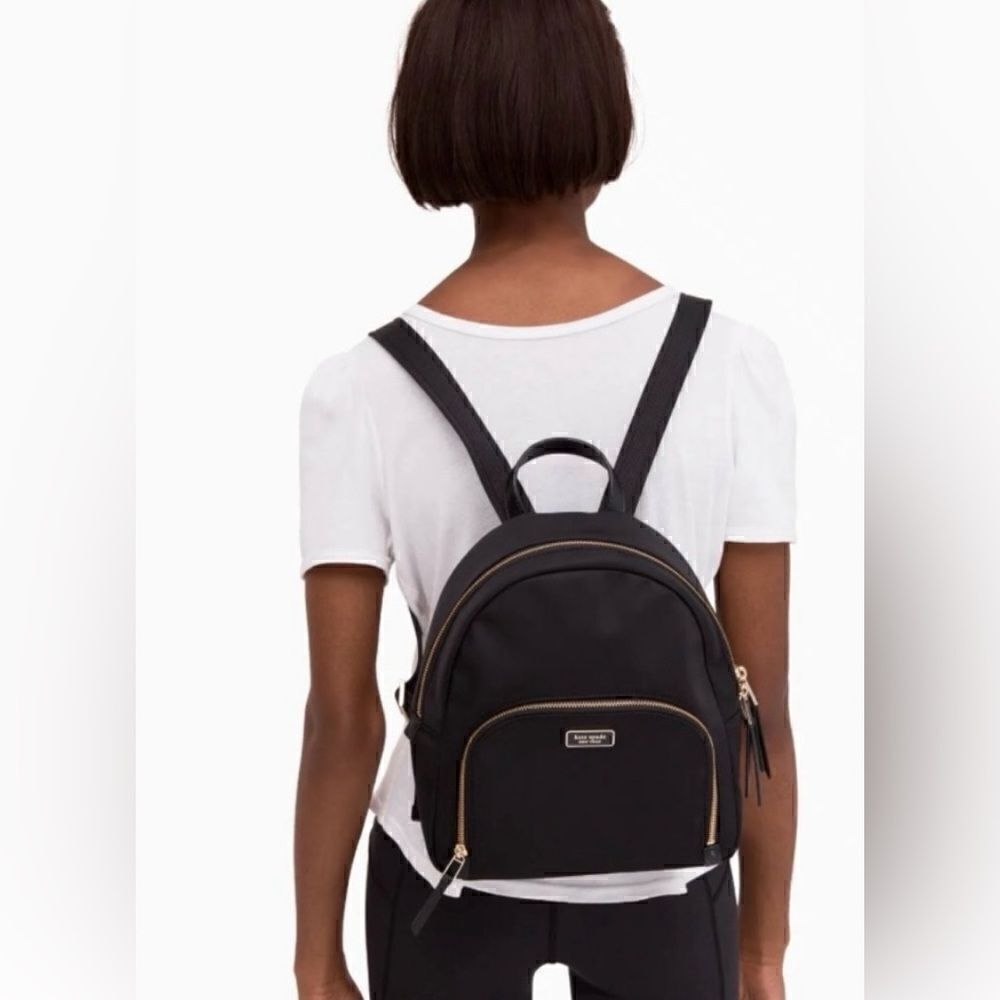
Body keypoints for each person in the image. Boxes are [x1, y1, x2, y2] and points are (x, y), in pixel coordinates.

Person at [293, 2, 796, 998]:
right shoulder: (731, 364)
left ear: (431, 116)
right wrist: (761, 952)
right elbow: (761, 707)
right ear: (602, 107)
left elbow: (343, 721)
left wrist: (315, 959)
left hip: (446, 869)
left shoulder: (358, 388)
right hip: (673, 870)